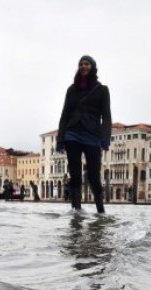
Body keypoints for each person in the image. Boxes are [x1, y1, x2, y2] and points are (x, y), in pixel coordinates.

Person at [56, 55, 112, 213]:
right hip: (72, 134)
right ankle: (76, 211)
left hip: (92, 135)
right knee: (75, 175)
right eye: (81, 64)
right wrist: (60, 140)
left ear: (93, 67)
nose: (84, 66)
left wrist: (105, 139)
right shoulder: (71, 90)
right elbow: (64, 115)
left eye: (87, 64)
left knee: (94, 175)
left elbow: (106, 117)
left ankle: (101, 211)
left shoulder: (102, 90)